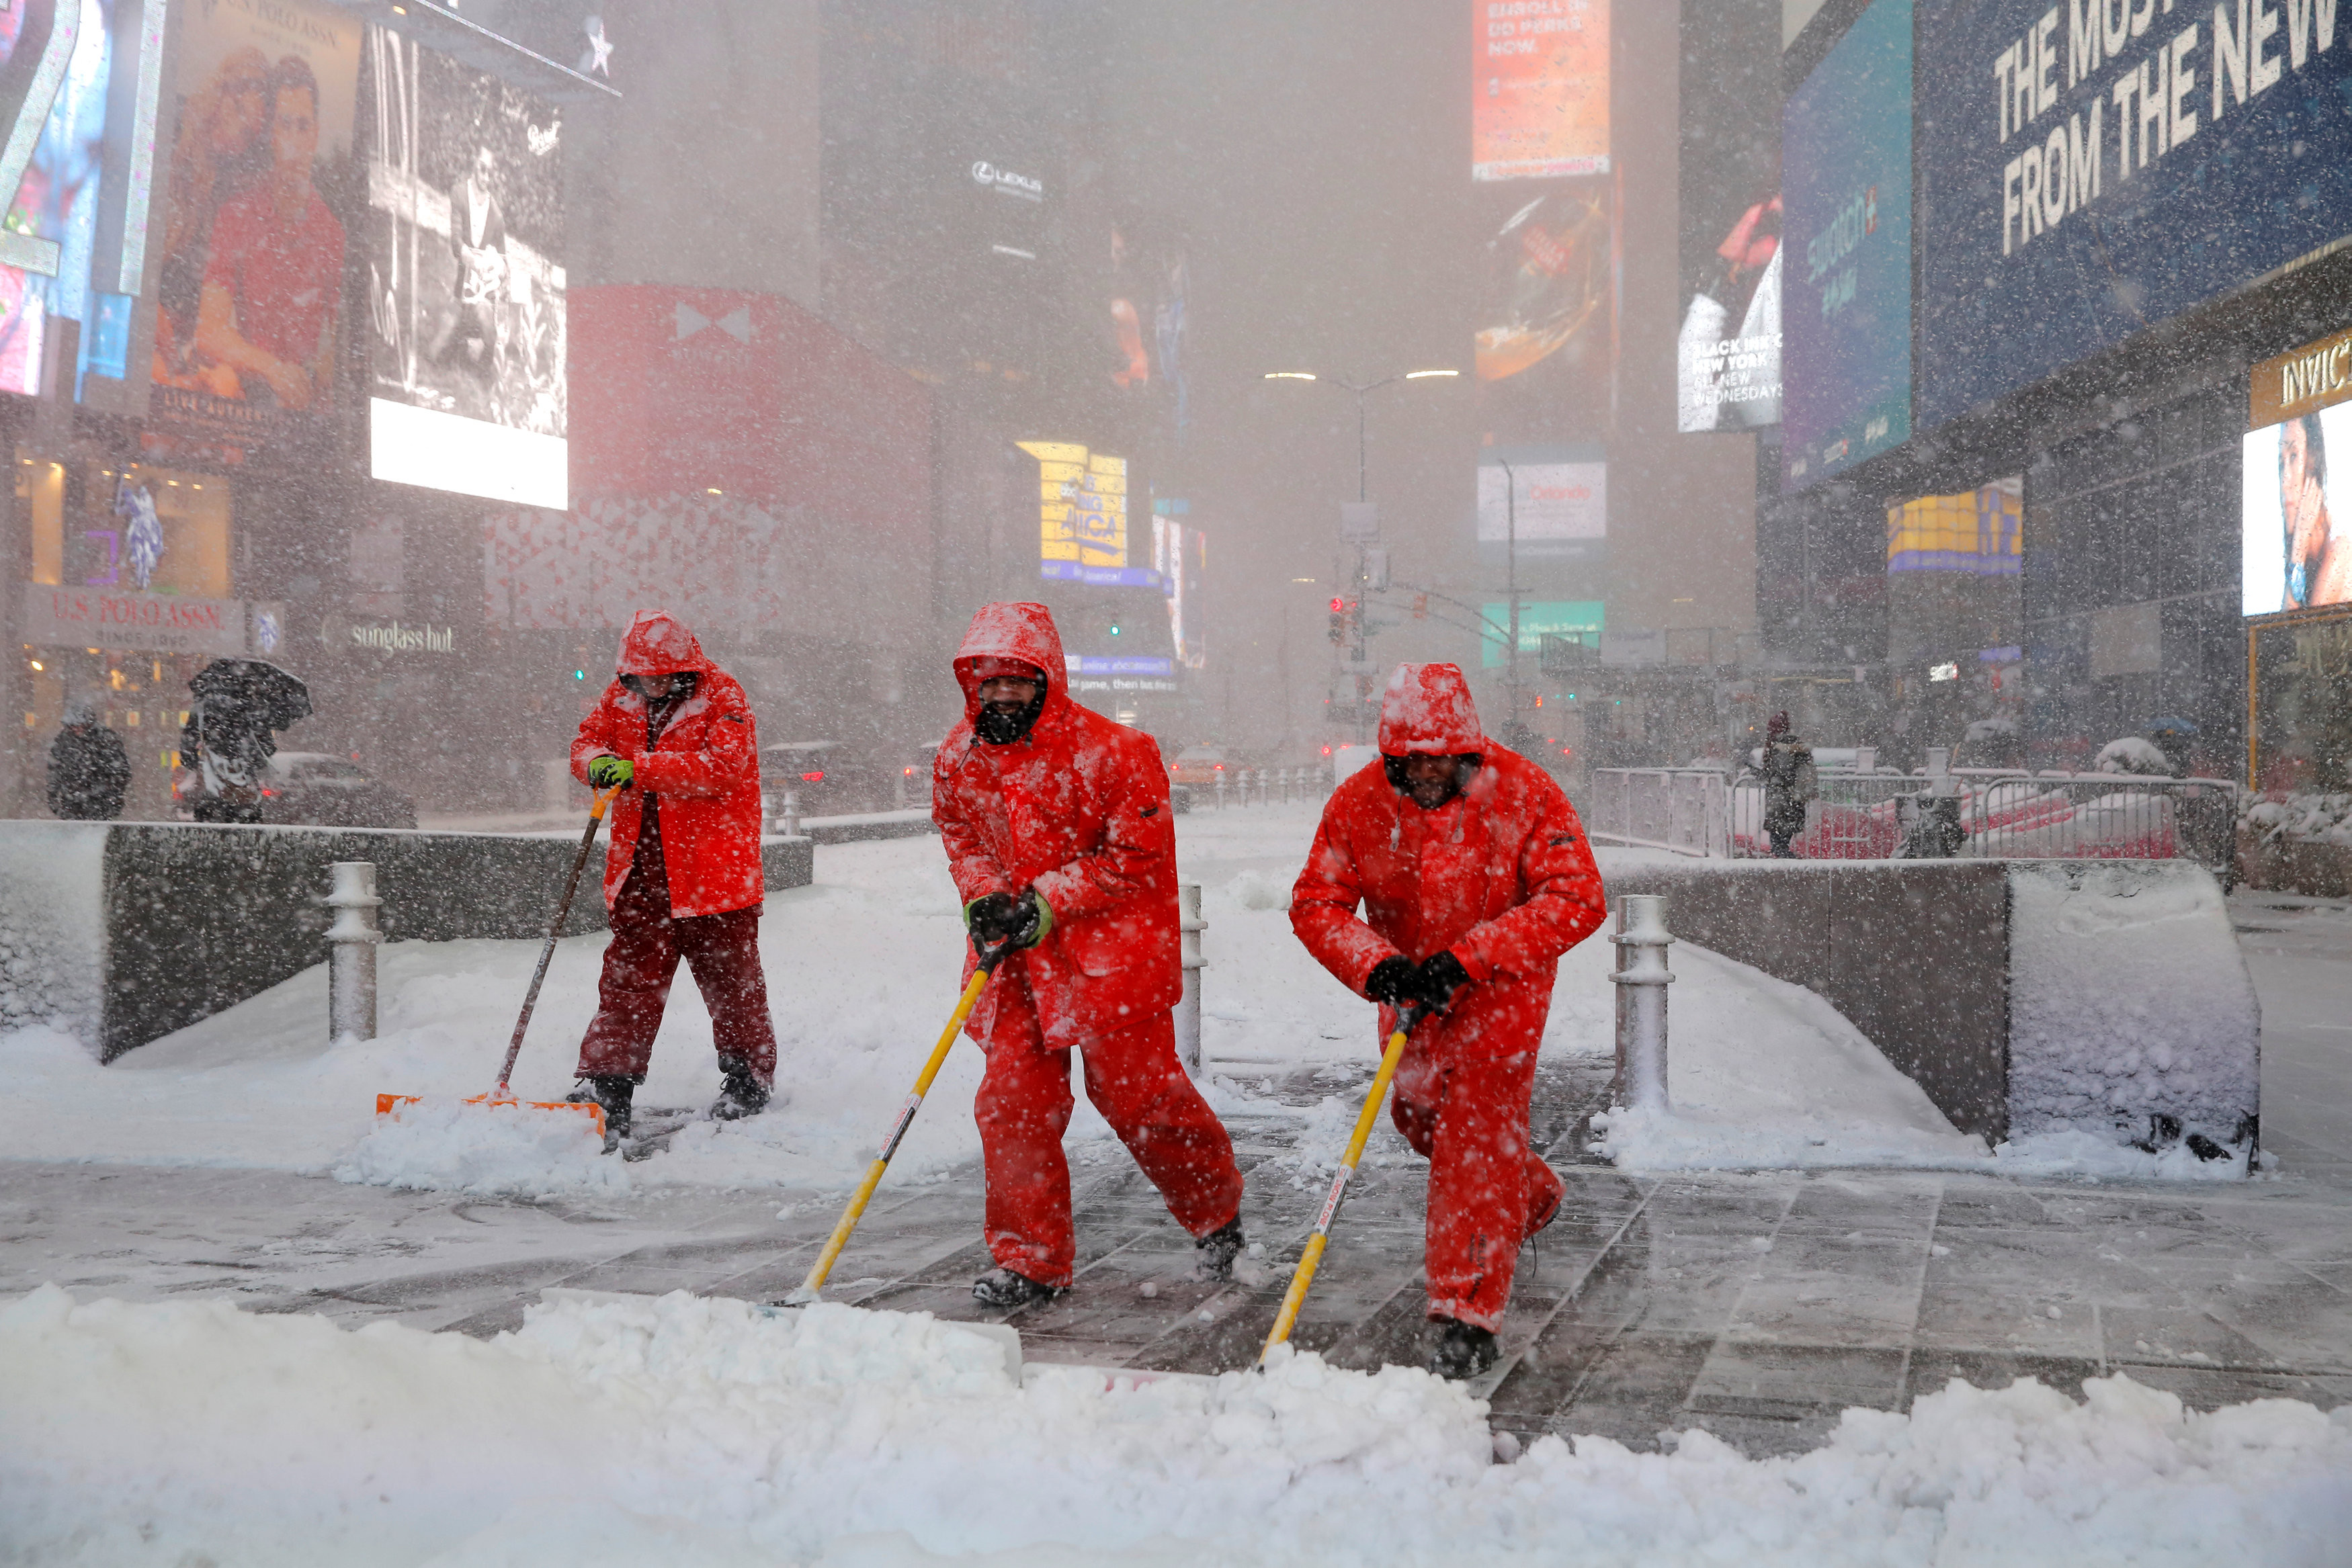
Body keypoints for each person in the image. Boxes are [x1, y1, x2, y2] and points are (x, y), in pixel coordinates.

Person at [1290, 663, 1607, 1379]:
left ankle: (1465, 1312)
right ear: (1390, 753)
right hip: (1409, 999)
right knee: (1418, 1118)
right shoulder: (1357, 804)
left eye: (1443, 760)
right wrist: (1376, 965)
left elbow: (1576, 898)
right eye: (1412, 761)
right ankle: (1526, 1193)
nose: (1429, 773)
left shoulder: (1525, 793)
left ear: (1468, 749)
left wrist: (1470, 958)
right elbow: (1316, 904)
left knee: (1472, 1141)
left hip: (1499, 998)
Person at [933, 602, 1245, 1307]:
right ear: (971, 685)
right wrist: (983, 894)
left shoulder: (1117, 753)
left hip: (1109, 958)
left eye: (1018, 681)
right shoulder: (958, 757)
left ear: (1048, 680)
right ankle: (1029, 1259)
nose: (1003, 695)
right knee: (1012, 1105)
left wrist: (1049, 900)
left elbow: (1136, 857)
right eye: (990, 682)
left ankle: (1215, 1212)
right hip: (1011, 958)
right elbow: (961, 836)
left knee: (1142, 1101)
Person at [566, 610, 776, 1142]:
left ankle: (748, 1078)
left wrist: (638, 767)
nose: (649, 687)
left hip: (714, 876)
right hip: (642, 872)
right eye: (640, 677)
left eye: (658, 677)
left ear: (684, 670)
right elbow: (587, 742)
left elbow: (720, 769)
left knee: (732, 986)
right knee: (627, 985)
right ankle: (606, 1081)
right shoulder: (620, 699)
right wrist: (594, 763)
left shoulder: (725, 698)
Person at [194, 55, 345, 412]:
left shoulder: (333, 234)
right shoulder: (236, 215)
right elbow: (208, 331)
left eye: (303, 126)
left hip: (312, 421)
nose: (293, 142)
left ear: (317, 133)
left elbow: (345, 345)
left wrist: (318, 372)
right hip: (251, 408)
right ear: (270, 133)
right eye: (285, 125)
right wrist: (273, 370)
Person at [2281, 412, 2348, 609]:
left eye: (2294, 456)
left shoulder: (2340, 551)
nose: (2285, 481)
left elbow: (2292, 632)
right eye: (2280, 463)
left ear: (2314, 462)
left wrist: (2299, 545)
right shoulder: (2307, 555)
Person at [48, 698, 131, 820]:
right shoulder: (64, 741)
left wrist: (110, 795)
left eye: (78, 725)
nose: (75, 729)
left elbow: (121, 773)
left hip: (101, 804)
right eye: (72, 726)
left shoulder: (106, 739)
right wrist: (54, 797)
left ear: (88, 723)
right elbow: (54, 770)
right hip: (72, 804)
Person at [1759, 711, 1816, 859]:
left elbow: (1781, 771)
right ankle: (1786, 864)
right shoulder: (1794, 744)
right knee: (1783, 839)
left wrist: (1766, 774)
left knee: (1778, 843)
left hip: (1782, 799)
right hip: (1791, 799)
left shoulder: (1779, 745)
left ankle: (1786, 868)